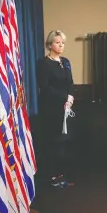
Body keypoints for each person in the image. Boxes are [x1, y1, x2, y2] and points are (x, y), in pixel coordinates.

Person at [37, 30, 75, 189]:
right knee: (52, 143)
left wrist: (70, 98)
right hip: (50, 108)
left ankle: (60, 175)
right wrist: (64, 98)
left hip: (65, 107)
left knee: (63, 143)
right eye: (58, 42)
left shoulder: (65, 61)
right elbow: (45, 87)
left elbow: (70, 82)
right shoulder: (43, 63)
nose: (61, 45)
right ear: (50, 44)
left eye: (63, 43)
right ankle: (51, 177)